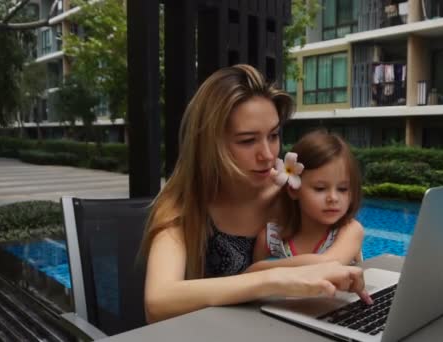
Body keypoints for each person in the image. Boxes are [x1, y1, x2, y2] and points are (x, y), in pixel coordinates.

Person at [139, 64, 371, 324]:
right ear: (209, 145)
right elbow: (157, 303)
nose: (268, 154)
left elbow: (338, 245)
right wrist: (272, 280)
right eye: (247, 141)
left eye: (273, 135)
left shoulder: (292, 195)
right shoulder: (183, 206)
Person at [247, 130, 364, 272]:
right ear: (293, 190)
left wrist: (260, 268)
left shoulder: (350, 229)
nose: (333, 198)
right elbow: (254, 285)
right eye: (320, 188)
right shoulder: (270, 238)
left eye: (343, 189)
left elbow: (329, 264)